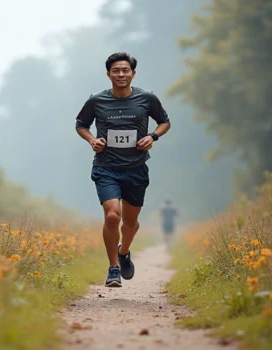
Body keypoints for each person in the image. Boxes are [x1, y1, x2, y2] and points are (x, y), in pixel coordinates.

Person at [75, 52, 171, 287]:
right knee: (112, 215)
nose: (121, 74)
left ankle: (124, 251)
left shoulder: (147, 99)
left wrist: (152, 137)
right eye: (116, 70)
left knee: (130, 223)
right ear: (108, 74)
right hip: (106, 167)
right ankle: (113, 268)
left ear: (133, 74)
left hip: (136, 168)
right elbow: (81, 125)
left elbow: (165, 122)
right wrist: (92, 141)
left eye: (125, 70)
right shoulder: (96, 101)